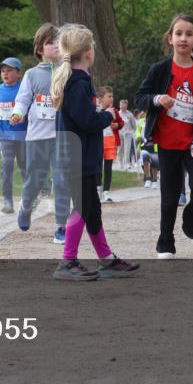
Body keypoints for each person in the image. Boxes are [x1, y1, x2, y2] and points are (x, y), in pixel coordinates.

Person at [136, 14, 193, 259]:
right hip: (167, 143)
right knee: (169, 198)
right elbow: (141, 97)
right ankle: (165, 241)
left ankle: (192, 217)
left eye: (189, 34)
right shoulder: (159, 70)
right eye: (178, 33)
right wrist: (157, 100)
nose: (183, 38)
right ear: (170, 39)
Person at [51, 24, 139, 281]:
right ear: (88, 52)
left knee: (93, 208)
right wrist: (104, 117)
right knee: (83, 206)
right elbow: (85, 120)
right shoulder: (77, 84)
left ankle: (106, 258)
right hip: (77, 157)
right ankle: (67, 261)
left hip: (82, 156)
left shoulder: (77, 81)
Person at [10, 23, 72, 244]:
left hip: (61, 137)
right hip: (37, 137)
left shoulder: (68, 72)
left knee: (63, 180)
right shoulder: (31, 74)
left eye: (59, 42)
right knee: (34, 182)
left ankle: (61, 226)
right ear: (39, 49)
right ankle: (26, 209)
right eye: (50, 43)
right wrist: (18, 113)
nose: (55, 46)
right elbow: (23, 99)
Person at [0, 56, 28, 214]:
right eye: (2, 71)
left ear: (18, 73)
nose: (5, 74)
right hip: (5, 135)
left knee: (24, 166)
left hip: (22, 135)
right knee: (7, 166)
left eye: (9, 71)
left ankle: (28, 197)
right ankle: (7, 200)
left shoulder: (24, 90)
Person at [97, 86, 125, 203]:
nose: (111, 99)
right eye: (109, 96)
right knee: (97, 166)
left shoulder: (114, 110)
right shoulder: (96, 110)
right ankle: (98, 190)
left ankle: (106, 192)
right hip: (98, 141)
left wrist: (117, 126)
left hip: (110, 141)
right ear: (101, 98)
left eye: (112, 96)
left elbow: (121, 123)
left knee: (108, 167)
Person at [118, 99, 138, 170]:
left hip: (128, 134)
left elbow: (134, 126)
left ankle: (127, 163)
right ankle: (121, 163)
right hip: (119, 134)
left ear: (126, 106)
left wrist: (132, 131)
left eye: (124, 106)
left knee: (127, 149)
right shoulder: (118, 113)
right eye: (121, 106)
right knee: (120, 149)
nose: (122, 107)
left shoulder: (130, 114)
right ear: (119, 105)